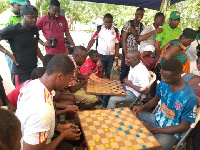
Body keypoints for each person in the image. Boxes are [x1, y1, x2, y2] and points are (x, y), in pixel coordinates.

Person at [16, 54, 82, 150]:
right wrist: (63, 136)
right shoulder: (42, 111)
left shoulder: (33, 84)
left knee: (80, 124)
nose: (68, 83)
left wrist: (58, 127)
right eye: (69, 79)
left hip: (41, 138)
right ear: (59, 76)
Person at [133, 58, 198, 150]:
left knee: (155, 147)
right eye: (162, 75)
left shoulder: (189, 98)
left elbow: (183, 127)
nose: (163, 79)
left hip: (172, 132)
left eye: (166, 77)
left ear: (178, 75)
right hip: (156, 119)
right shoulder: (163, 84)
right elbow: (155, 99)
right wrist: (142, 107)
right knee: (131, 116)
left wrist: (154, 130)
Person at [0, 4, 43, 87]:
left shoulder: (34, 29)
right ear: (23, 16)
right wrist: (9, 54)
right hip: (20, 72)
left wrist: (43, 58)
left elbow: (35, 46)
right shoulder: (13, 29)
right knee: (21, 97)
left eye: (35, 17)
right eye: (31, 17)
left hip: (33, 69)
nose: (34, 20)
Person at [86, 13, 120, 78]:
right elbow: (92, 40)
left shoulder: (116, 31)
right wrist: (86, 50)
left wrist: (116, 57)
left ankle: (105, 86)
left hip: (111, 56)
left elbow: (117, 44)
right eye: (106, 22)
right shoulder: (99, 29)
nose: (108, 24)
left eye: (110, 22)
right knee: (99, 72)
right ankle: (99, 87)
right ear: (104, 21)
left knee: (108, 73)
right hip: (100, 55)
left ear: (112, 21)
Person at [120, 7, 145, 83]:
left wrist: (135, 33)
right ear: (135, 14)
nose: (140, 16)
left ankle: (128, 86)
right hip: (127, 51)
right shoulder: (129, 24)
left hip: (134, 53)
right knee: (124, 69)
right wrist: (126, 53)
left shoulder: (141, 26)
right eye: (138, 14)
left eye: (141, 14)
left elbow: (139, 41)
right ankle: (121, 84)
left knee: (132, 70)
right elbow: (123, 40)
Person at [4, 0, 27, 74]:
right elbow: (6, 39)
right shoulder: (6, 18)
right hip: (12, 54)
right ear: (12, 4)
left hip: (24, 52)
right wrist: (10, 54)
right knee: (17, 76)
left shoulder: (22, 15)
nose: (22, 8)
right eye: (20, 6)